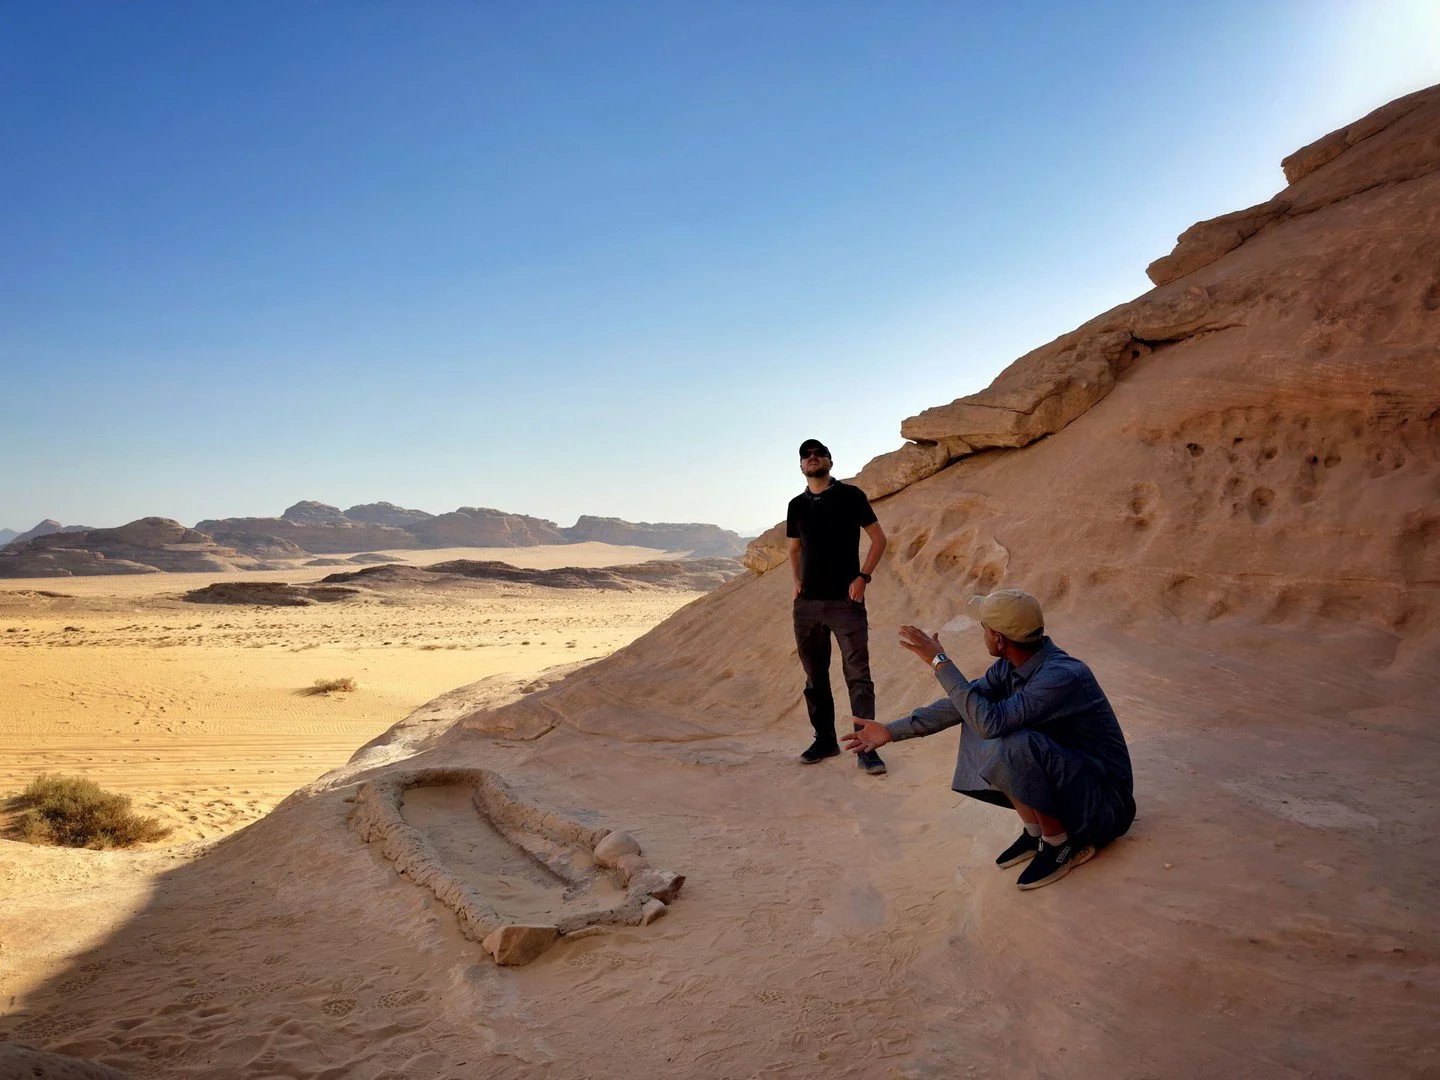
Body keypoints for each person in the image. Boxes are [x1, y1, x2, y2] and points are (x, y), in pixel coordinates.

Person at [843, 589, 1135, 889]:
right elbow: (965, 704)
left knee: (1009, 735)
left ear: (999, 640)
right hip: (1075, 790)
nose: (981, 633)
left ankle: (1060, 845)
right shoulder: (1011, 667)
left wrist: (940, 661)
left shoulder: (1061, 676)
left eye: (984, 628)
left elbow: (990, 722)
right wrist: (891, 731)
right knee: (976, 717)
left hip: (1105, 808)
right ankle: (1037, 834)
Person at [787, 438, 888, 775]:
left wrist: (863, 577)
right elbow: (794, 549)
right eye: (807, 456)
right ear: (801, 466)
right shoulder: (796, 506)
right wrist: (796, 581)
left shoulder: (851, 496)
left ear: (829, 460)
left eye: (818, 454)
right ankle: (825, 740)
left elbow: (879, 539)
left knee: (858, 676)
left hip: (846, 603)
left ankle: (866, 746)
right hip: (808, 606)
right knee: (815, 678)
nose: (813, 459)